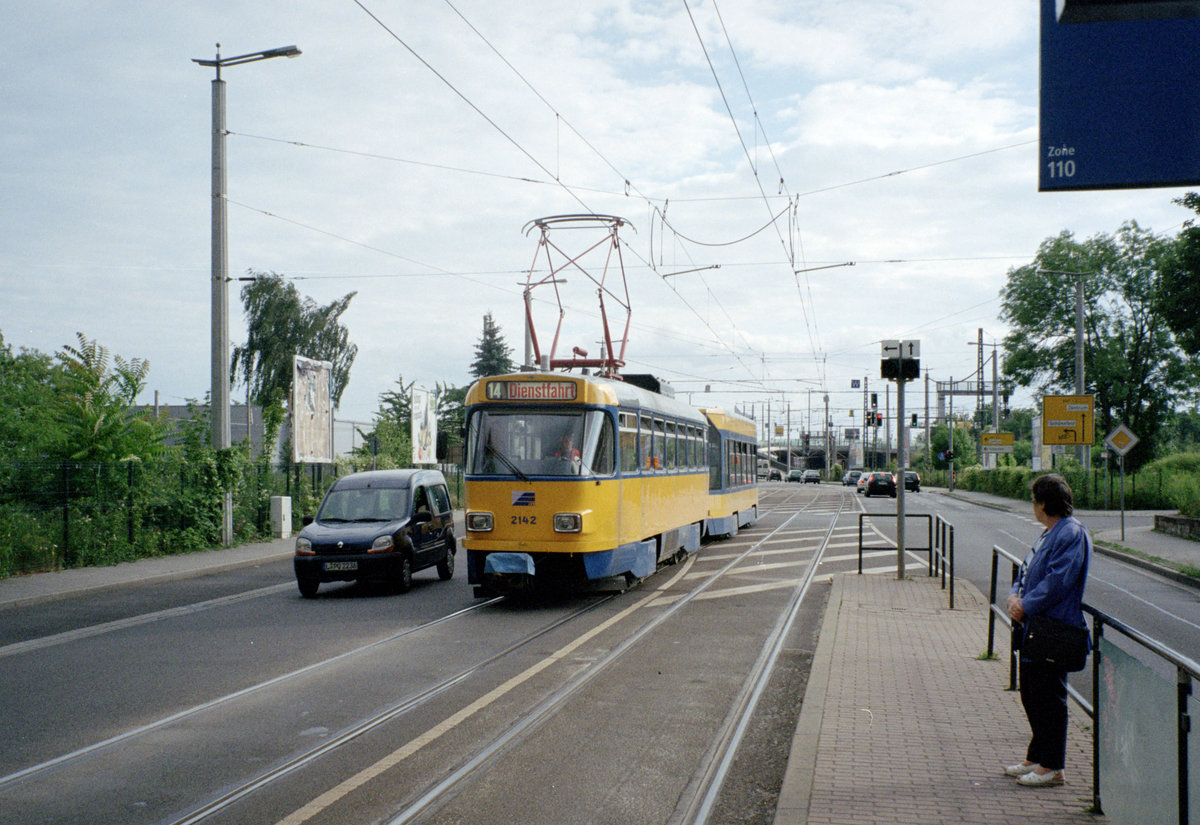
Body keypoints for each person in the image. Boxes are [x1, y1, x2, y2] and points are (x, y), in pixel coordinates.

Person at [1004, 473, 1092, 787]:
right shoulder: (1050, 532)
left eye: (1034, 501)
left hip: (1053, 630)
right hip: (1036, 628)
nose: (1033, 507)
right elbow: (1026, 570)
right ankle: (1037, 756)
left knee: (1049, 698)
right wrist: (1015, 595)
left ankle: (1053, 766)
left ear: (1043, 504)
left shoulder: (1071, 533)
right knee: (1031, 692)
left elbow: (1058, 581)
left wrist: (1025, 605)